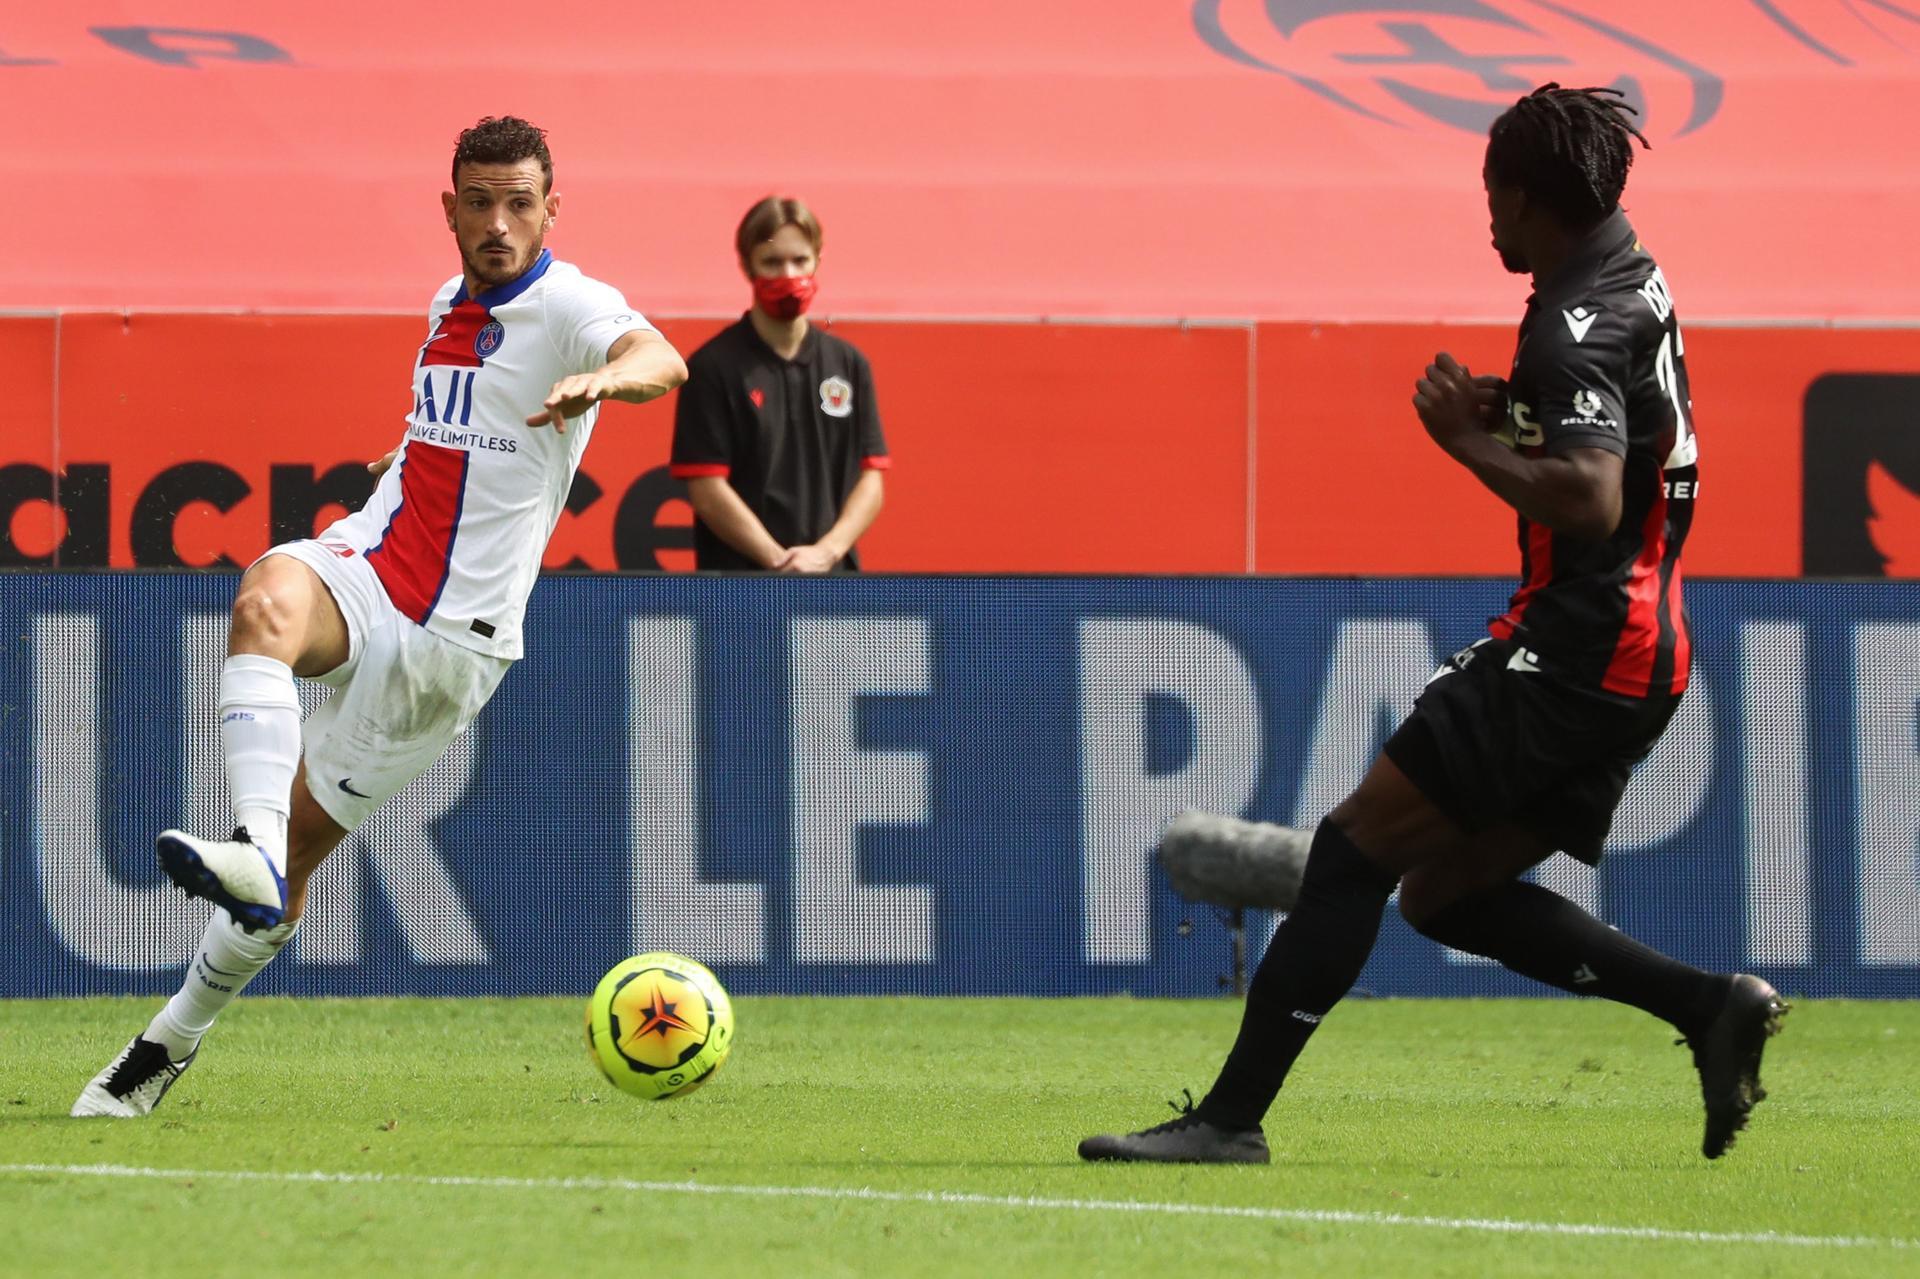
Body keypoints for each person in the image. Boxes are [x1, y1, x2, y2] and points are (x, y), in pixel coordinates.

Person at [1079, 84, 1785, 1165]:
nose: (1487, 218)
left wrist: (1465, 440)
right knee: (1444, 893)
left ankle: (1228, 1120)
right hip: (1647, 654)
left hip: (1580, 648)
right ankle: (1706, 1005)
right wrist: (1517, 409)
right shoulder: (1625, 271)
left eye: (1493, 195)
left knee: (1352, 847)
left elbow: (1592, 498)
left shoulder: (1570, 319)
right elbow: (1625, 437)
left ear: (1530, 197)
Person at [71, 115, 688, 1118]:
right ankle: (253, 844)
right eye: (479, 203)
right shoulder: (449, 299)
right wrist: (406, 463)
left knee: (297, 869)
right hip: (376, 564)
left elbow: (660, 357)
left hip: (451, 644)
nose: (499, 223)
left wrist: (606, 380)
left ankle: (165, 1043)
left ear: (550, 210)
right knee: (266, 595)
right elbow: (459, 429)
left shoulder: (573, 304)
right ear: (448, 209)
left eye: (519, 204)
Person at [669, 196, 888, 572]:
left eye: (800, 260)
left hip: (834, 585)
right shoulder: (711, 367)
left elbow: (871, 478)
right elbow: (707, 489)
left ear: (818, 259)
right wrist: (780, 562)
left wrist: (826, 553)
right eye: (772, 262)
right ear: (747, 265)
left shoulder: (849, 364)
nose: (788, 275)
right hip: (739, 589)